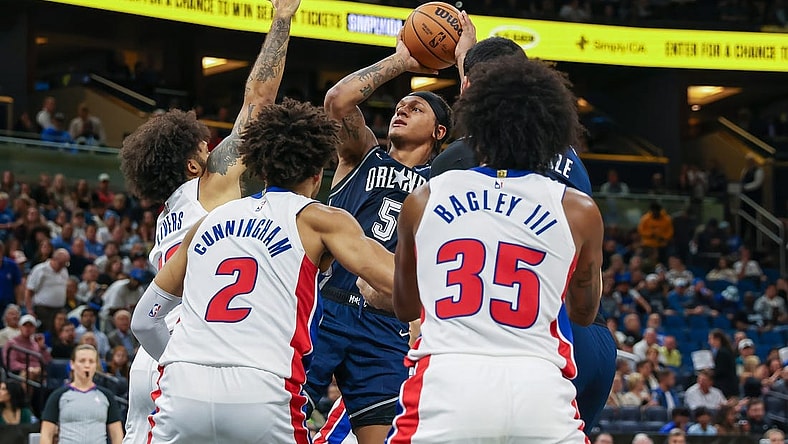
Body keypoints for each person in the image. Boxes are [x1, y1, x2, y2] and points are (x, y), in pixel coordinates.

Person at [131, 98, 396, 443]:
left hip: (183, 389)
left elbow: (144, 320)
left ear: (261, 168)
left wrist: (181, 364)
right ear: (317, 176)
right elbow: (398, 280)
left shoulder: (207, 222)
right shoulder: (320, 220)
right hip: (261, 389)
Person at [388, 54, 600, 442]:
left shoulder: (423, 199)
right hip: (539, 385)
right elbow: (584, 313)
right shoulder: (579, 209)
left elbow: (405, 307)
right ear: (553, 131)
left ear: (475, 126)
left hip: (448, 379)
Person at [118, 1, 301, 442]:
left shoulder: (168, 213)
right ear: (192, 167)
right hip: (193, 353)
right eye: (201, 147)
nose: (209, 141)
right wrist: (281, 19)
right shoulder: (209, 186)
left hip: (149, 360)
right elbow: (258, 100)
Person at [305, 20, 455, 444]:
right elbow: (336, 102)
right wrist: (402, 60)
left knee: (385, 437)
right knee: (281, 419)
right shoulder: (363, 155)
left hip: (387, 322)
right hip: (326, 307)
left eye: (416, 108)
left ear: (439, 132)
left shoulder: (444, 184)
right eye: (399, 105)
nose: (401, 110)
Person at [40, 344, 124, 444]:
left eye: (91, 361)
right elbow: (46, 434)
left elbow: (117, 435)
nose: (87, 365)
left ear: (96, 365)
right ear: (72, 364)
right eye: (82, 361)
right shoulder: (58, 396)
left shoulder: (107, 396)